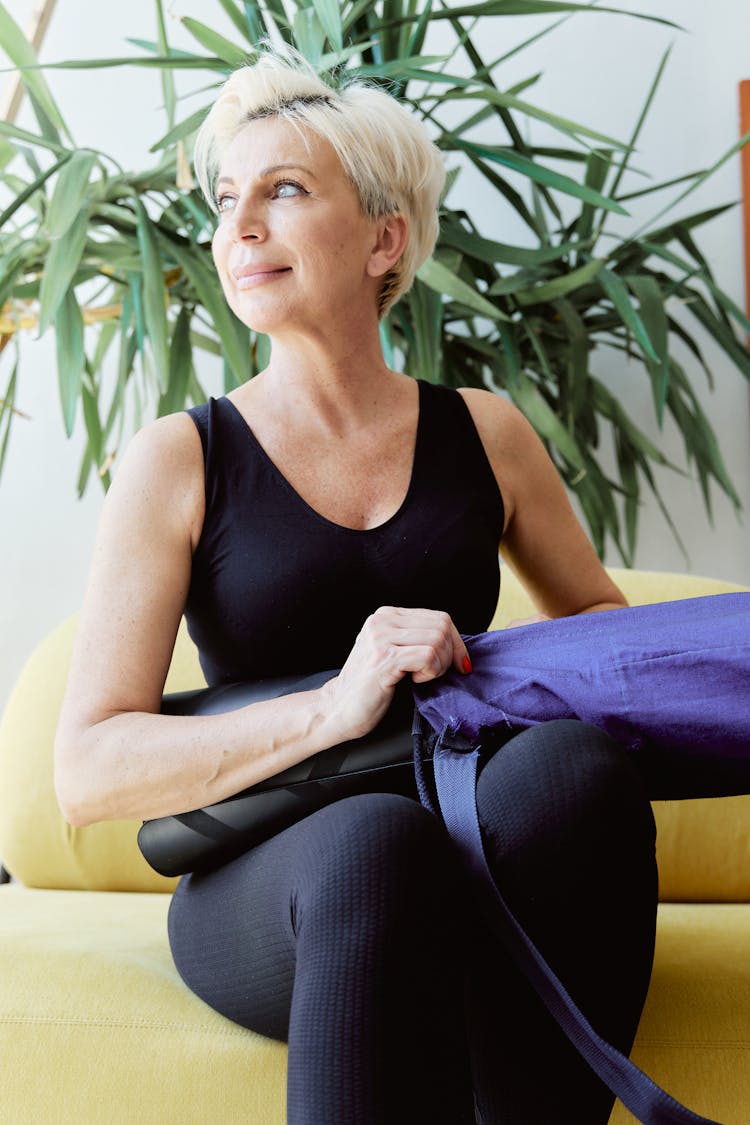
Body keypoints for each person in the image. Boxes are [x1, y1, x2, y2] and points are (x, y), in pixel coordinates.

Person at [54, 47, 658, 1125]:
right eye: (228, 199)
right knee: (378, 847)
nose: (239, 227)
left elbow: (602, 640)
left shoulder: (486, 433)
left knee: (574, 772)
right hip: (279, 877)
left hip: (465, 828)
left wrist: (479, 667)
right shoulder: (180, 460)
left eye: (283, 191)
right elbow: (89, 770)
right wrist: (336, 705)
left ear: (385, 239)